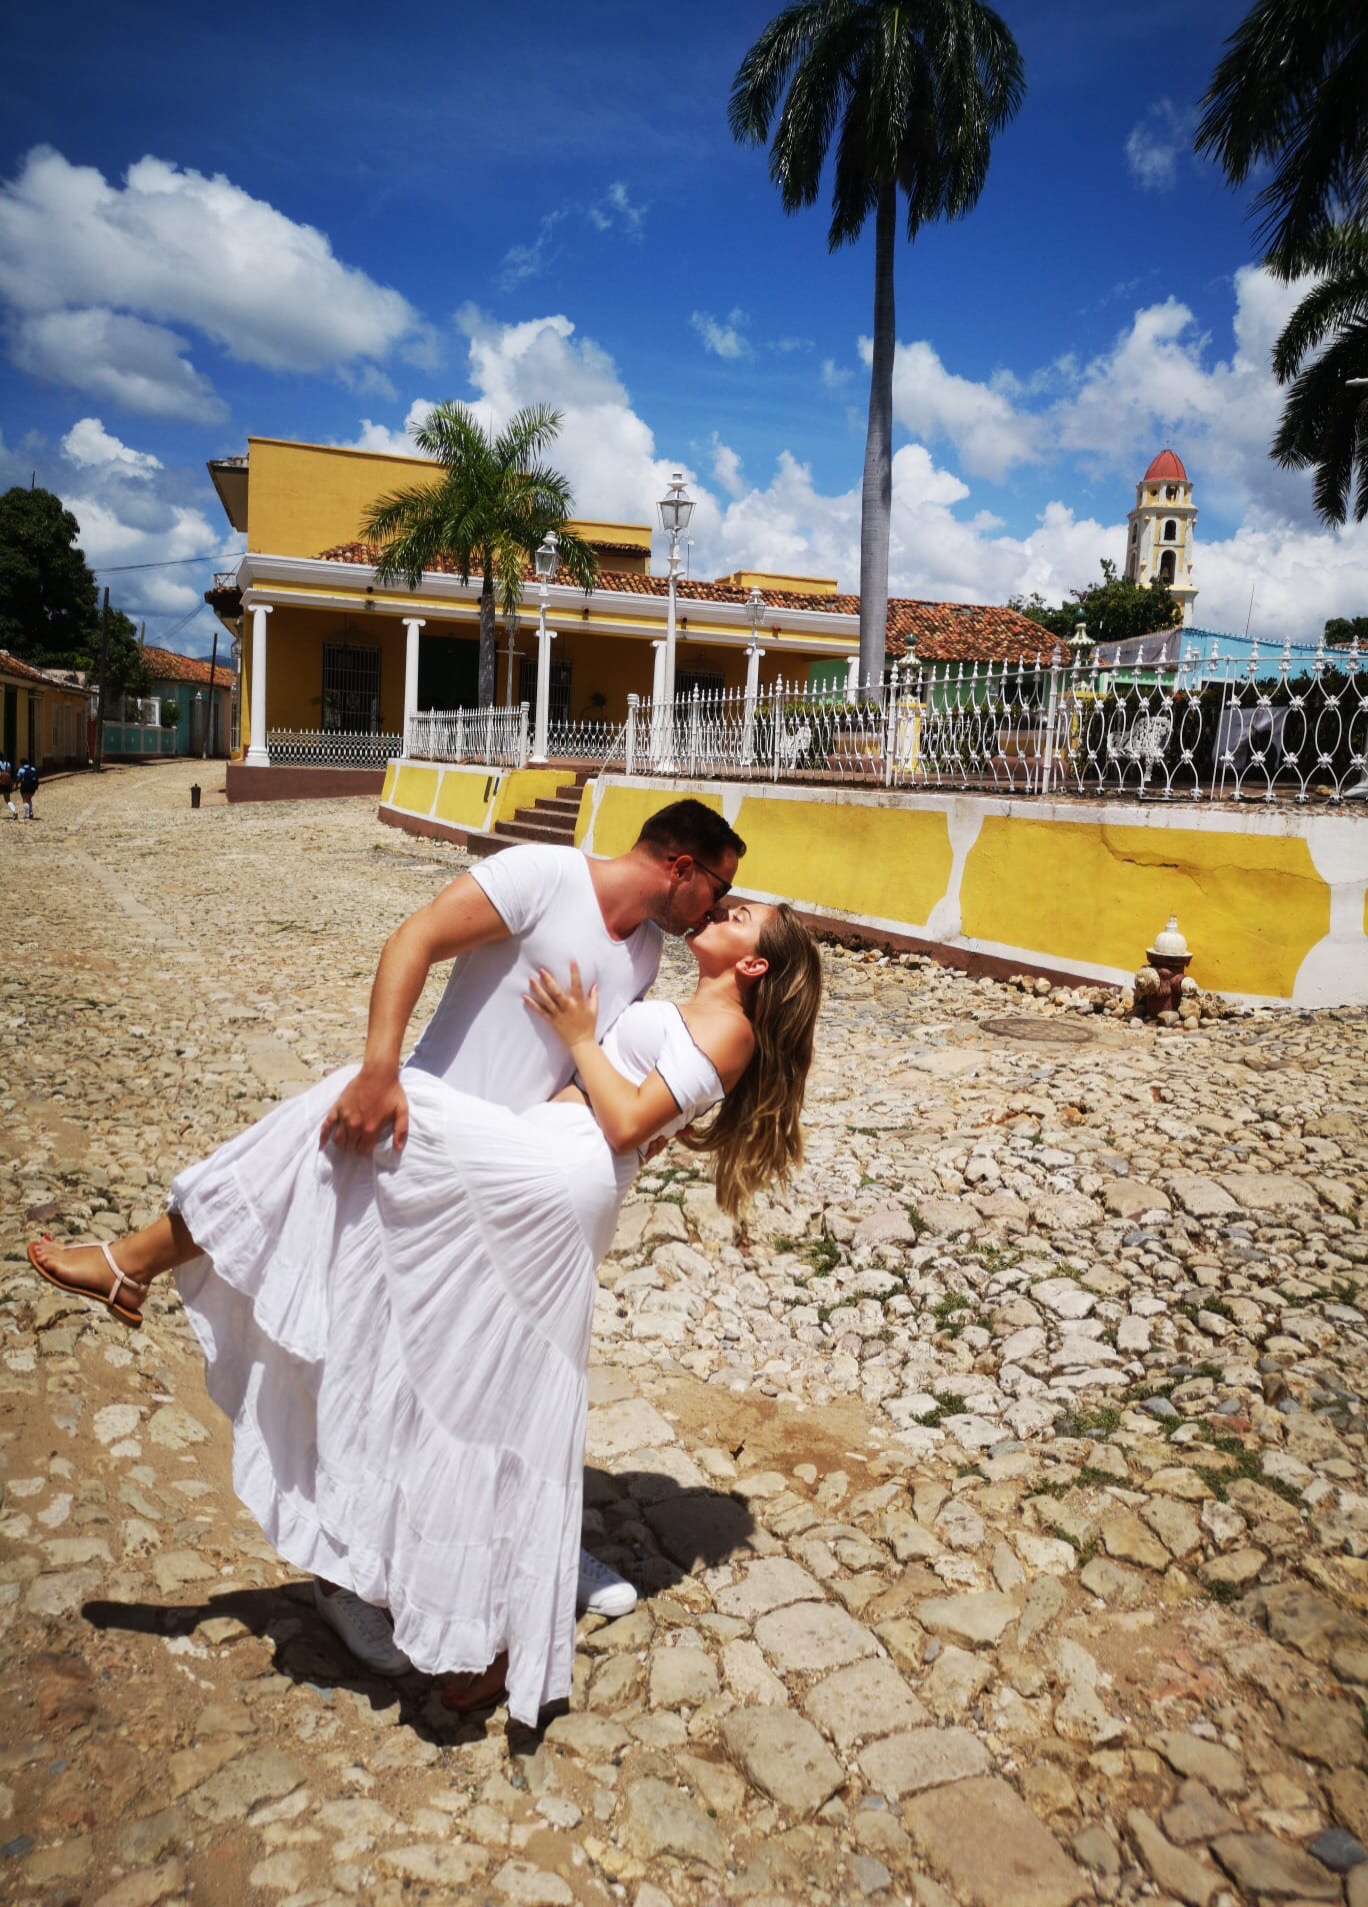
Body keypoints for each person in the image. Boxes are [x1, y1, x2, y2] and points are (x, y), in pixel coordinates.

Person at [28, 897, 822, 1726]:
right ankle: (488, 1635)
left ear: (754, 963)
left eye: (740, 914)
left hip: (556, 1175)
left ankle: (133, 1262)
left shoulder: (731, 1030)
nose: (722, 908)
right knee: (472, 1385)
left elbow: (626, 1124)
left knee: (368, 1103)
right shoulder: (682, 995)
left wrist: (582, 1033)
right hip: (547, 1166)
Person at [0, 755, 15, 819]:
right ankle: (14, 811)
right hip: (6, 782)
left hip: (0, 782)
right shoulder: (7, 763)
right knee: (8, 799)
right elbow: (9, 772)